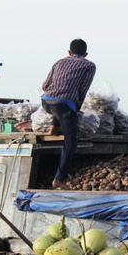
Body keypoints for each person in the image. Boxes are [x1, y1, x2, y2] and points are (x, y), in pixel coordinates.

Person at [41, 39, 96, 190]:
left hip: (46, 101)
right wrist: (76, 109)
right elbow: (83, 89)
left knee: (59, 106)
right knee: (71, 142)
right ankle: (59, 179)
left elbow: (45, 85)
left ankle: (53, 127)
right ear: (86, 54)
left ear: (69, 52)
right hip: (63, 106)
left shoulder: (59, 62)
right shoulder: (89, 65)